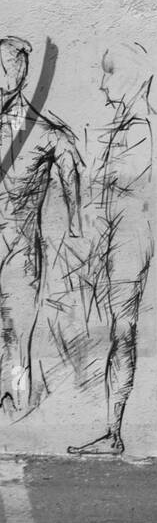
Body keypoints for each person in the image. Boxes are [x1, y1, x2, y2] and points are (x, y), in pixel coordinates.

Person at [69, 45, 153, 456]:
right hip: (117, 247)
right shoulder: (126, 128)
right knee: (119, 334)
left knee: (123, 333)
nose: (102, 84)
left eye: (109, 74)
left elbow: (126, 190)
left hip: (127, 248)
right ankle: (112, 429)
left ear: (132, 76)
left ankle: (113, 432)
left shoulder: (139, 130)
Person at [0, 36, 84, 415]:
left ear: (22, 71)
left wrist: (77, 232)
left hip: (18, 254)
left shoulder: (50, 134)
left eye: (8, 68)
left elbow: (73, 185)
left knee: (16, 334)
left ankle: (15, 400)